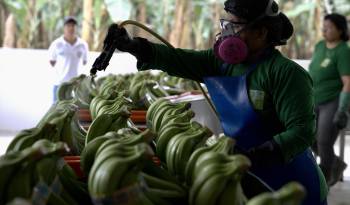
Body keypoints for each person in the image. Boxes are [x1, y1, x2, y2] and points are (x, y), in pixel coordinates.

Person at [103, 0, 328, 204]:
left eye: (235, 27)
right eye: (225, 25)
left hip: (290, 178)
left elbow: (302, 131)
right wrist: (136, 47)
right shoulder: (220, 63)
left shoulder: (286, 74)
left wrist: (259, 153)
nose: (226, 34)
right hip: (243, 171)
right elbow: (178, 59)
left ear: (261, 32)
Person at [309, 13, 350, 187]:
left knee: (324, 140)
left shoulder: (343, 51)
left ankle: (323, 180)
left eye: (329, 27)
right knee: (308, 137)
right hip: (313, 99)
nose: (324, 30)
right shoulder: (319, 46)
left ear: (340, 30)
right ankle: (337, 164)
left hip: (332, 101)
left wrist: (342, 109)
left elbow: (348, 82)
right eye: (324, 26)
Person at [48, 16, 89, 102]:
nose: (71, 28)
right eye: (68, 25)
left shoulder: (83, 44)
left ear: (76, 28)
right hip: (59, 84)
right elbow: (52, 61)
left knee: (75, 111)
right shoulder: (56, 44)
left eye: (73, 26)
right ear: (64, 28)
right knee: (56, 110)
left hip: (76, 85)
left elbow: (85, 62)